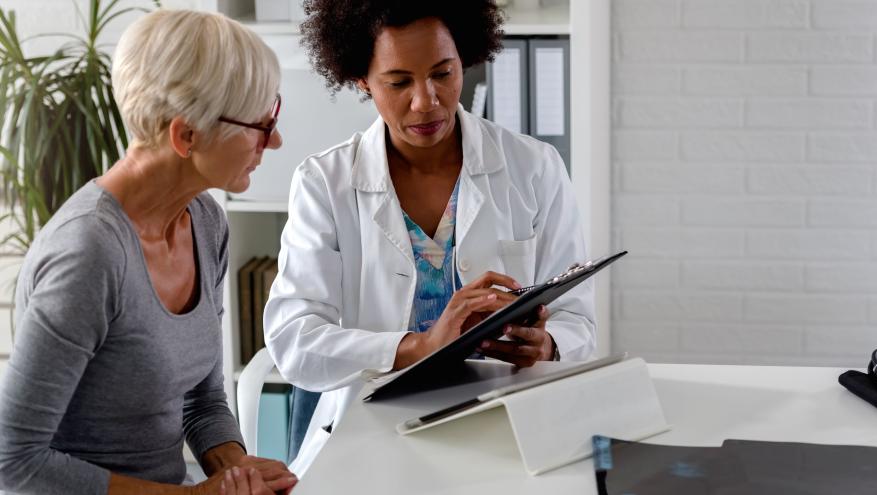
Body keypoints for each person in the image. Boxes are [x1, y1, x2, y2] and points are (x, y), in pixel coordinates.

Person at [263, 0, 596, 476]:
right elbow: (294, 339)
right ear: (361, 80)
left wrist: (548, 346)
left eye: (443, 73)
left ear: (465, 58)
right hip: (374, 436)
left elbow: (577, 319)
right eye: (399, 82)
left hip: (510, 427)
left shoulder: (535, 168)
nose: (426, 101)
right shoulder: (324, 183)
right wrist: (419, 346)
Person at [0, 9, 296, 495]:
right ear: (186, 135)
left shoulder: (205, 222)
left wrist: (236, 469)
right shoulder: (88, 254)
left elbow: (201, 401)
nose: (275, 139)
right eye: (260, 124)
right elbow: (14, 462)